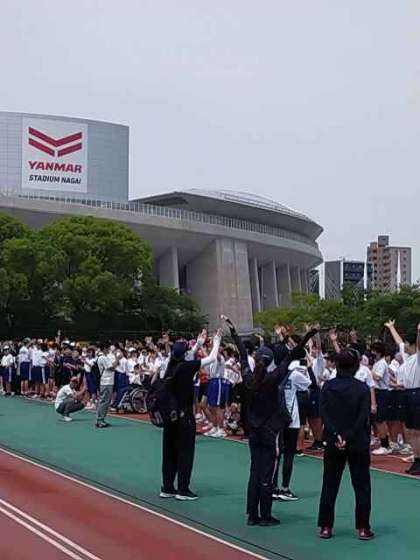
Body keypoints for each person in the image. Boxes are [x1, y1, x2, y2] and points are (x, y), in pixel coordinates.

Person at [227, 316, 316, 526]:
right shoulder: (273, 378)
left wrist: (234, 332)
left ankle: (252, 514)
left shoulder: (248, 378)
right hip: (270, 430)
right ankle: (265, 514)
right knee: (268, 472)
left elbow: (242, 355)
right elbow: (292, 355)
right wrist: (308, 336)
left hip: (254, 429)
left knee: (254, 471)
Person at [160, 329, 221, 501]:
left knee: (169, 452)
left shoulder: (170, 366)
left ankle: (167, 487)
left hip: (169, 416)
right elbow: (211, 358)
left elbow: (186, 355)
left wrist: (199, 344)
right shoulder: (186, 367)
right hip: (184, 415)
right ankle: (183, 489)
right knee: (185, 452)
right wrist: (216, 341)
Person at [318, 349, 373, 541]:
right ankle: (363, 527)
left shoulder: (328, 387)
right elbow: (363, 417)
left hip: (334, 440)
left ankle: (326, 526)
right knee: (362, 485)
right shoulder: (362, 389)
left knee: (330, 483)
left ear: (337, 365)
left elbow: (324, 414)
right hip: (357, 440)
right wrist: (348, 436)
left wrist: (336, 434)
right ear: (356, 366)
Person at [397, 323, 420, 475]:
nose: (403, 345)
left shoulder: (418, 357)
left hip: (417, 393)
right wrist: (391, 328)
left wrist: (419, 332)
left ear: (412, 344)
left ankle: (419, 460)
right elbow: (398, 342)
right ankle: (416, 458)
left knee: (417, 430)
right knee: (410, 430)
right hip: (407, 394)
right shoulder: (407, 358)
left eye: (406, 342)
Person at [96, 342, 120, 428]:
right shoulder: (102, 357)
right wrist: (117, 358)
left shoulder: (105, 357)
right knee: (104, 401)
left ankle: (101, 419)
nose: (109, 350)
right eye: (108, 348)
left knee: (106, 401)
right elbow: (111, 367)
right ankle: (100, 420)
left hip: (108, 381)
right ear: (105, 348)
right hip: (106, 382)